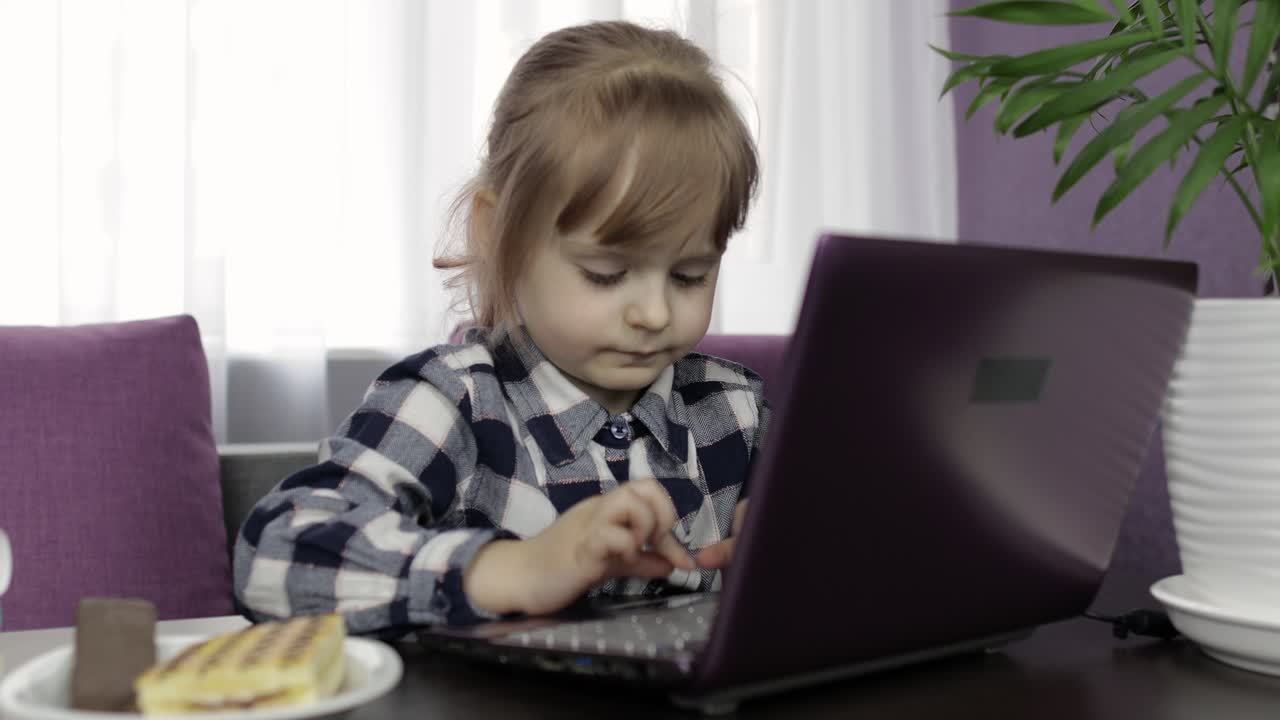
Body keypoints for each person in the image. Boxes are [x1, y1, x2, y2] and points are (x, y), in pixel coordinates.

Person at [233, 19, 769, 636]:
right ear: (496, 232)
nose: (653, 313)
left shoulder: (735, 410)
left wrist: (806, 544)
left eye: (690, 275)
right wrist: (513, 568)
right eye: (604, 274)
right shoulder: (452, 402)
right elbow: (273, 556)